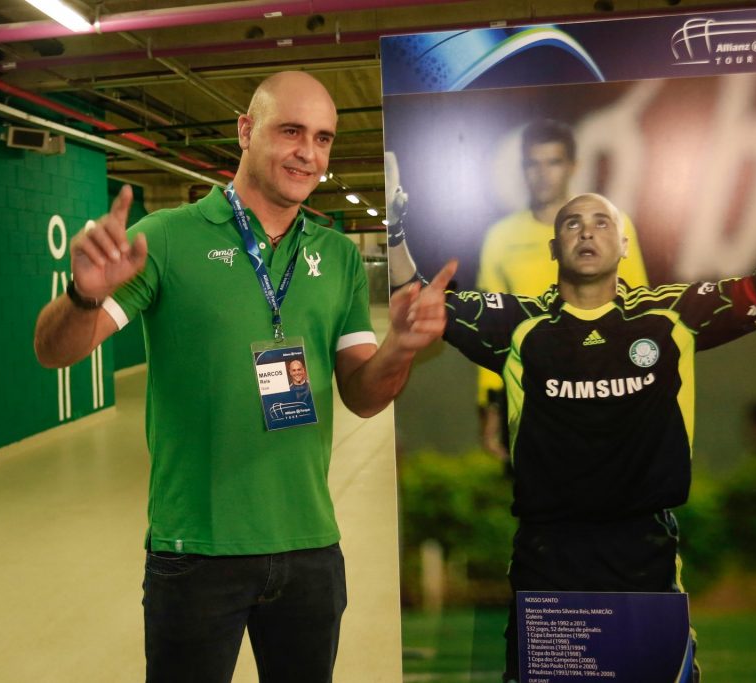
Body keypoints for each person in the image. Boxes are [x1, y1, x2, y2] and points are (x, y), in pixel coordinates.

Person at [34, 71, 456, 683]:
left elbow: (363, 396)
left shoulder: (335, 256)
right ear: (245, 130)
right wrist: (82, 296)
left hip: (310, 547)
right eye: (291, 131)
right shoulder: (167, 239)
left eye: (323, 138)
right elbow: (57, 352)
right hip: (196, 553)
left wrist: (401, 348)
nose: (308, 153)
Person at [387, 133, 756, 682]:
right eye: (572, 224)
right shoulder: (519, 325)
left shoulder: (668, 317)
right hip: (548, 552)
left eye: (602, 222)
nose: (587, 231)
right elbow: (419, 303)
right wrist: (392, 230)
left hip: (643, 550)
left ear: (626, 245)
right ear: (554, 249)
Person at [475, 120, 648, 460]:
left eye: (553, 162)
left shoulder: (613, 226)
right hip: (530, 399)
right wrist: (492, 405)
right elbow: (491, 330)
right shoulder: (500, 237)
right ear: (523, 168)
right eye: (532, 163)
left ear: (573, 167)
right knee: (541, 507)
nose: (542, 173)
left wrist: (643, 393)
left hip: (607, 392)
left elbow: (640, 313)